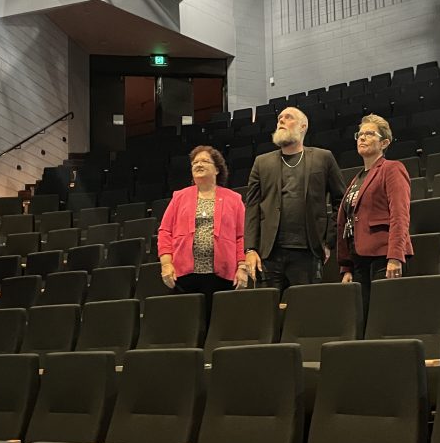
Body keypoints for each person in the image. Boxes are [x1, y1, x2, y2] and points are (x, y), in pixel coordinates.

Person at [244, 106, 346, 290]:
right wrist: (250, 249)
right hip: (268, 255)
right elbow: (252, 208)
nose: (281, 121)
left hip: (308, 252)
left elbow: (341, 201)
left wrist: (329, 241)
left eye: (288, 117)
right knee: (267, 313)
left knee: (306, 312)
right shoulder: (261, 162)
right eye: (279, 118)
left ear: (303, 126)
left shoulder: (323, 158)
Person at [158, 146, 249, 313]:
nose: (198, 164)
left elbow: (242, 236)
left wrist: (242, 267)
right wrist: (166, 264)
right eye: (195, 162)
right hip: (184, 275)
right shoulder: (179, 197)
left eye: (205, 161)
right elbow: (165, 232)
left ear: (217, 169)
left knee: (217, 321)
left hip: (222, 275)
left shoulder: (234, 199)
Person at [336, 114, 412, 311]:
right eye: (360, 134)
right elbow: (347, 223)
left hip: (383, 256)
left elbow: (400, 214)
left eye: (369, 134)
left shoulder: (392, 169)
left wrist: (395, 256)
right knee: (362, 318)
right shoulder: (356, 179)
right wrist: (347, 266)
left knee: (383, 316)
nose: (362, 137)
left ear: (384, 142)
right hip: (359, 258)